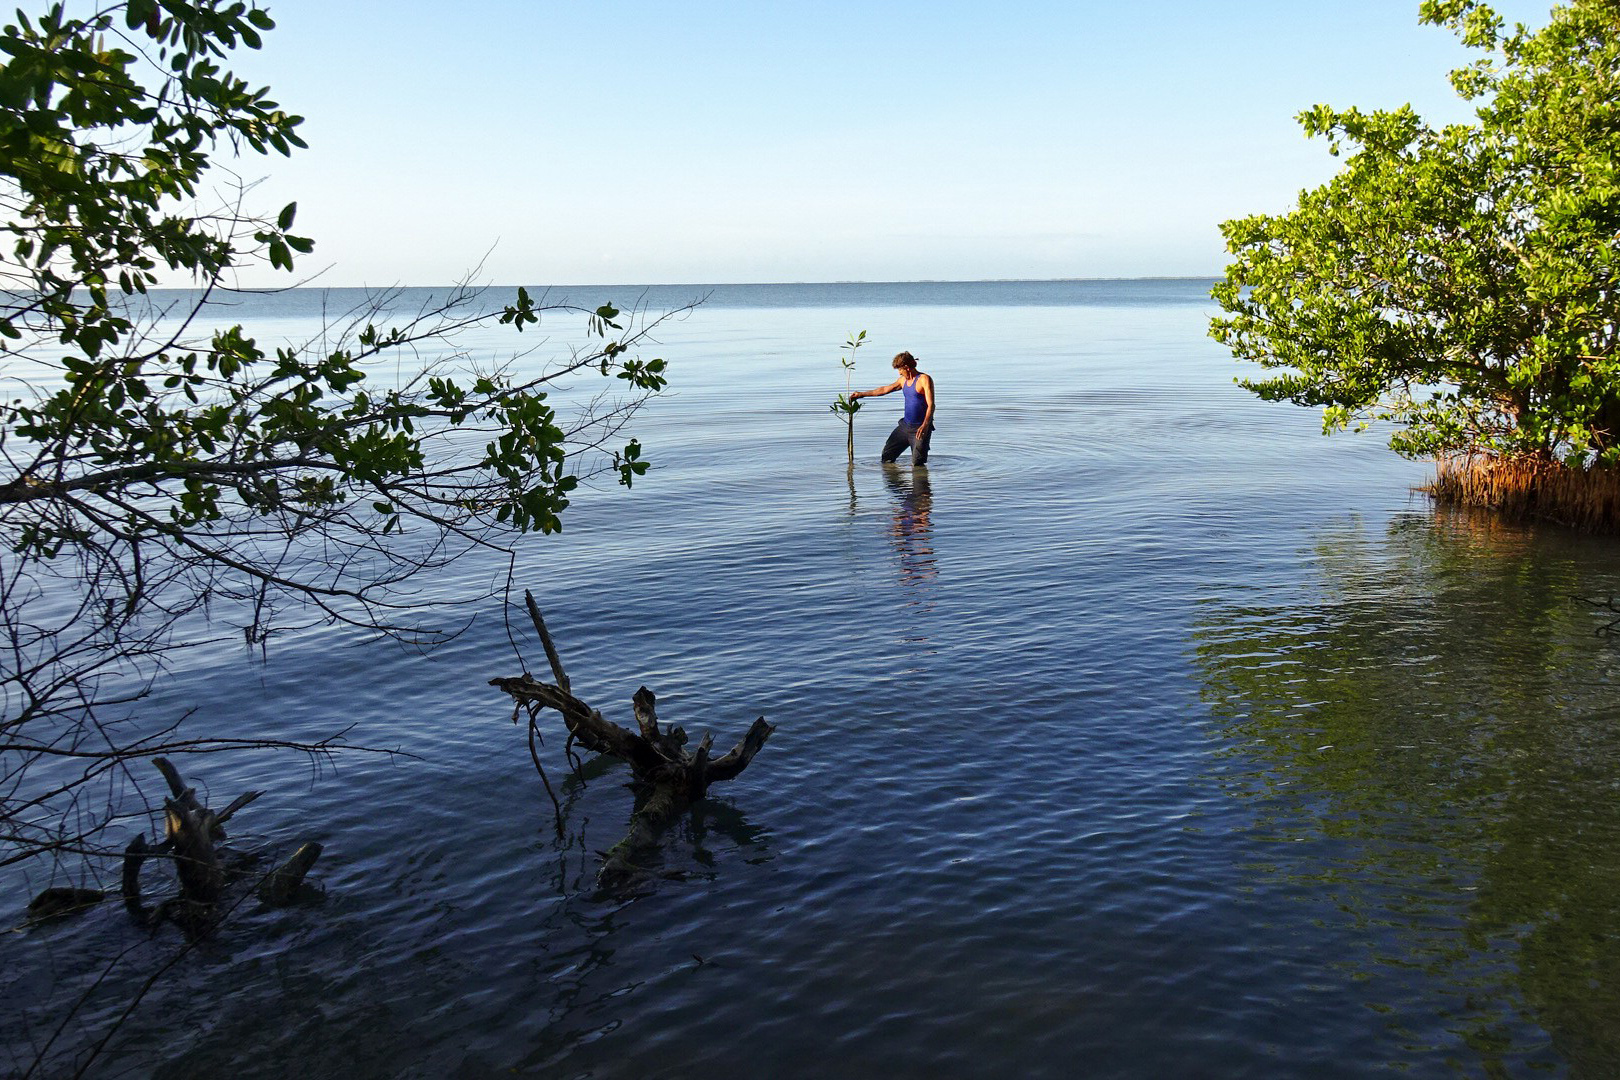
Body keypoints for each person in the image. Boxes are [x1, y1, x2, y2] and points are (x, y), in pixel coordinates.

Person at [850, 351, 935, 465]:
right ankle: (895, 481)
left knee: (918, 465)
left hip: (920, 429)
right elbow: (884, 390)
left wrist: (925, 426)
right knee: (887, 457)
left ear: (907, 367)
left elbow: (931, 405)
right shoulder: (903, 380)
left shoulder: (924, 379)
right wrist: (861, 394)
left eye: (900, 369)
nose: (899, 373)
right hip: (905, 427)